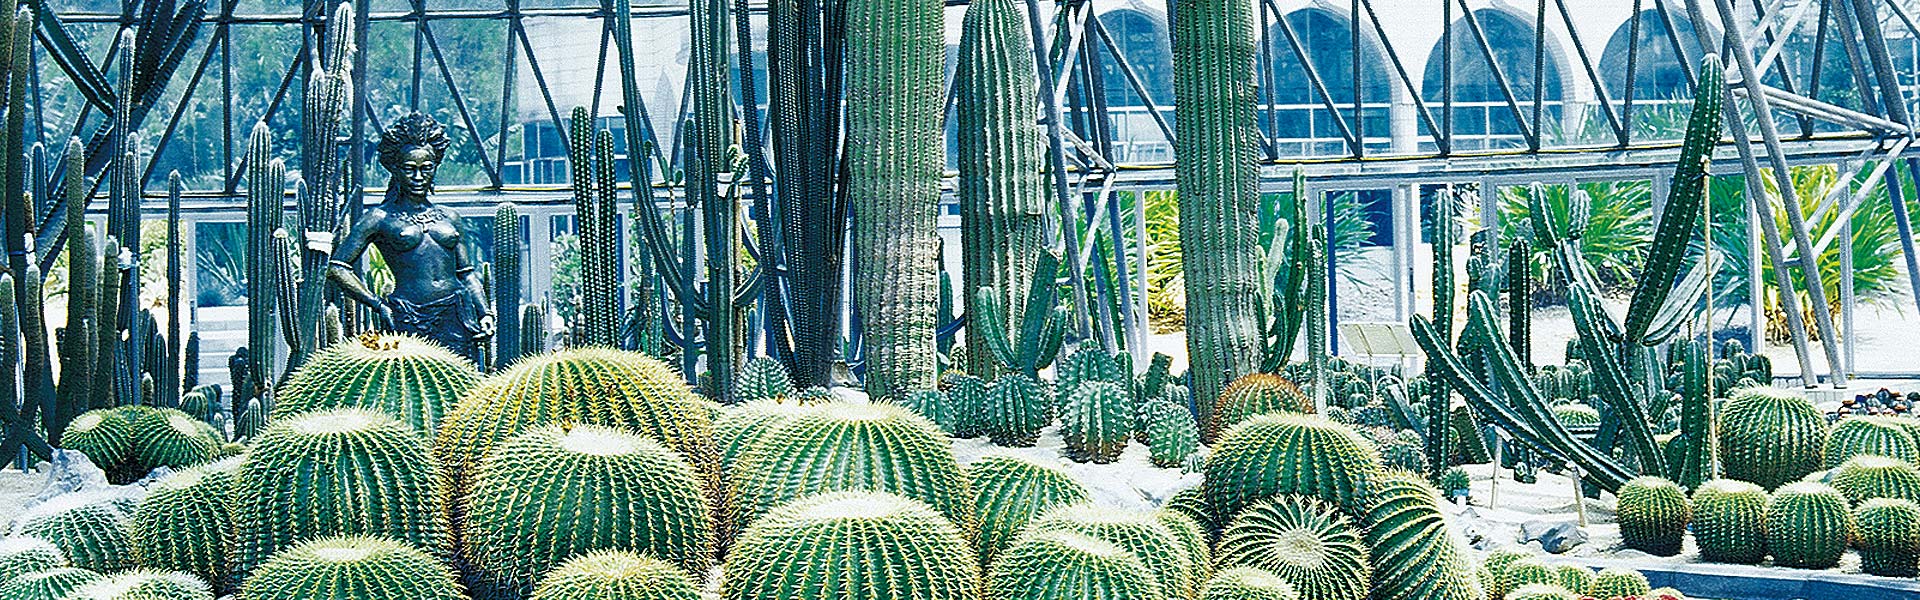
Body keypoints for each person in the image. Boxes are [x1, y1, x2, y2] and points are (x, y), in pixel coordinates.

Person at [327, 113, 493, 362]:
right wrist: (377, 304)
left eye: (426, 169)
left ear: (435, 167)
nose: (418, 177)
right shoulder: (380, 218)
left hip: (456, 313)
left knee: (460, 389)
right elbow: (338, 267)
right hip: (407, 314)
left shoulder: (450, 216)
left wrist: (485, 312)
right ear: (395, 168)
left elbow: (467, 274)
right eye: (409, 169)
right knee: (414, 390)